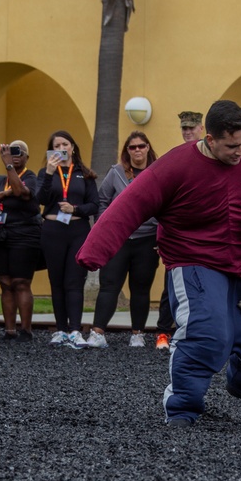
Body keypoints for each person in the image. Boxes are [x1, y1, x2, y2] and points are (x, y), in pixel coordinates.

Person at [77, 100, 241, 426]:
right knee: (208, 331)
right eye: (232, 146)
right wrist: (94, 252)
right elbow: (130, 205)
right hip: (193, 258)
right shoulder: (175, 165)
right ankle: (182, 408)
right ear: (210, 139)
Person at [87, 131, 160, 349]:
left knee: (140, 288)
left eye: (141, 146)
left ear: (148, 147)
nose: (137, 150)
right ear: (126, 151)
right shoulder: (116, 172)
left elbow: (168, 204)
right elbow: (102, 200)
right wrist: (105, 227)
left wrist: (161, 235)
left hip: (147, 239)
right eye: (132, 147)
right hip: (118, 239)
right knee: (109, 285)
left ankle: (137, 333)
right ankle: (97, 332)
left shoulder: (157, 171)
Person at [36, 130, 99, 349]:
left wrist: (75, 208)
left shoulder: (85, 173)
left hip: (77, 229)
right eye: (57, 145)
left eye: (65, 144)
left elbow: (94, 205)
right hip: (53, 229)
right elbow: (40, 199)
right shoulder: (46, 172)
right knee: (57, 281)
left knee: (74, 281)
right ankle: (60, 330)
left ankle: (75, 330)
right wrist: (48, 173)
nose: (62, 148)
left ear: (72, 147)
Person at [153, 110, 205, 351]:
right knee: (171, 287)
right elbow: (162, 201)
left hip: (205, 233)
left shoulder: (212, 157)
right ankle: (163, 332)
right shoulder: (173, 158)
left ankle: (198, 333)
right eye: (184, 128)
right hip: (178, 234)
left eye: (191, 128)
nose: (187, 132)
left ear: (201, 129)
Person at [0, 141, 41, 342]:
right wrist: (4, 193)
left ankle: (25, 330)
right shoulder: (0, 180)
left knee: (21, 282)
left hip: (24, 235)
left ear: (27, 157)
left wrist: (9, 165)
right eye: (10, 152)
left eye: (19, 152)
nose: (14, 155)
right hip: (0, 234)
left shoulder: (31, 177)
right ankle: (9, 330)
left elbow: (21, 192)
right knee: (5, 283)